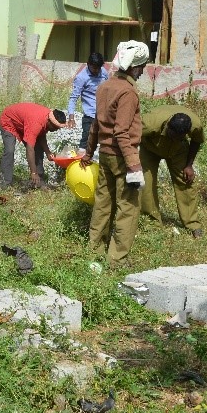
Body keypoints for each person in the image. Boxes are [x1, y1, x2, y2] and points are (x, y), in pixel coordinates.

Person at [81, 40, 148, 264]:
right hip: (121, 156)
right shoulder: (128, 93)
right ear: (134, 67)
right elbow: (121, 132)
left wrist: (89, 154)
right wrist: (134, 165)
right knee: (127, 207)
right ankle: (117, 259)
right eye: (142, 67)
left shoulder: (104, 87)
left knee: (103, 203)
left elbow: (95, 126)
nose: (142, 72)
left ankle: (94, 250)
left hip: (105, 155)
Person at [139, 104, 204, 238]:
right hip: (150, 147)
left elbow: (196, 141)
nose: (174, 138)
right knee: (146, 182)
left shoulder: (195, 124)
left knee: (185, 180)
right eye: (172, 135)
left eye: (179, 136)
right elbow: (130, 138)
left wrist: (189, 165)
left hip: (178, 150)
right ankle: (152, 223)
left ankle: (192, 223)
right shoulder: (149, 124)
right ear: (168, 127)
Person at [0, 103, 71, 188]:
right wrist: (33, 172)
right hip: (9, 121)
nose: (56, 130)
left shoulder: (46, 119)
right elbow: (30, 148)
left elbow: (41, 136)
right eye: (55, 127)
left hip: (24, 122)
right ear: (50, 122)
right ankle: (5, 182)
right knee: (9, 150)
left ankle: (38, 180)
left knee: (38, 149)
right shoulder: (36, 123)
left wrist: (48, 152)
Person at [67, 51, 109, 144]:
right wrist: (71, 117)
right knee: (86, 143)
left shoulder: (104, 73)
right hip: (90, 117)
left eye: (99, 68)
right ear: (88, 64)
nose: (97, 71)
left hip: (104, 115)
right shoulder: (81, 78)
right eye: (94, 68)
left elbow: (110, 88)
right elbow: (73, 98)